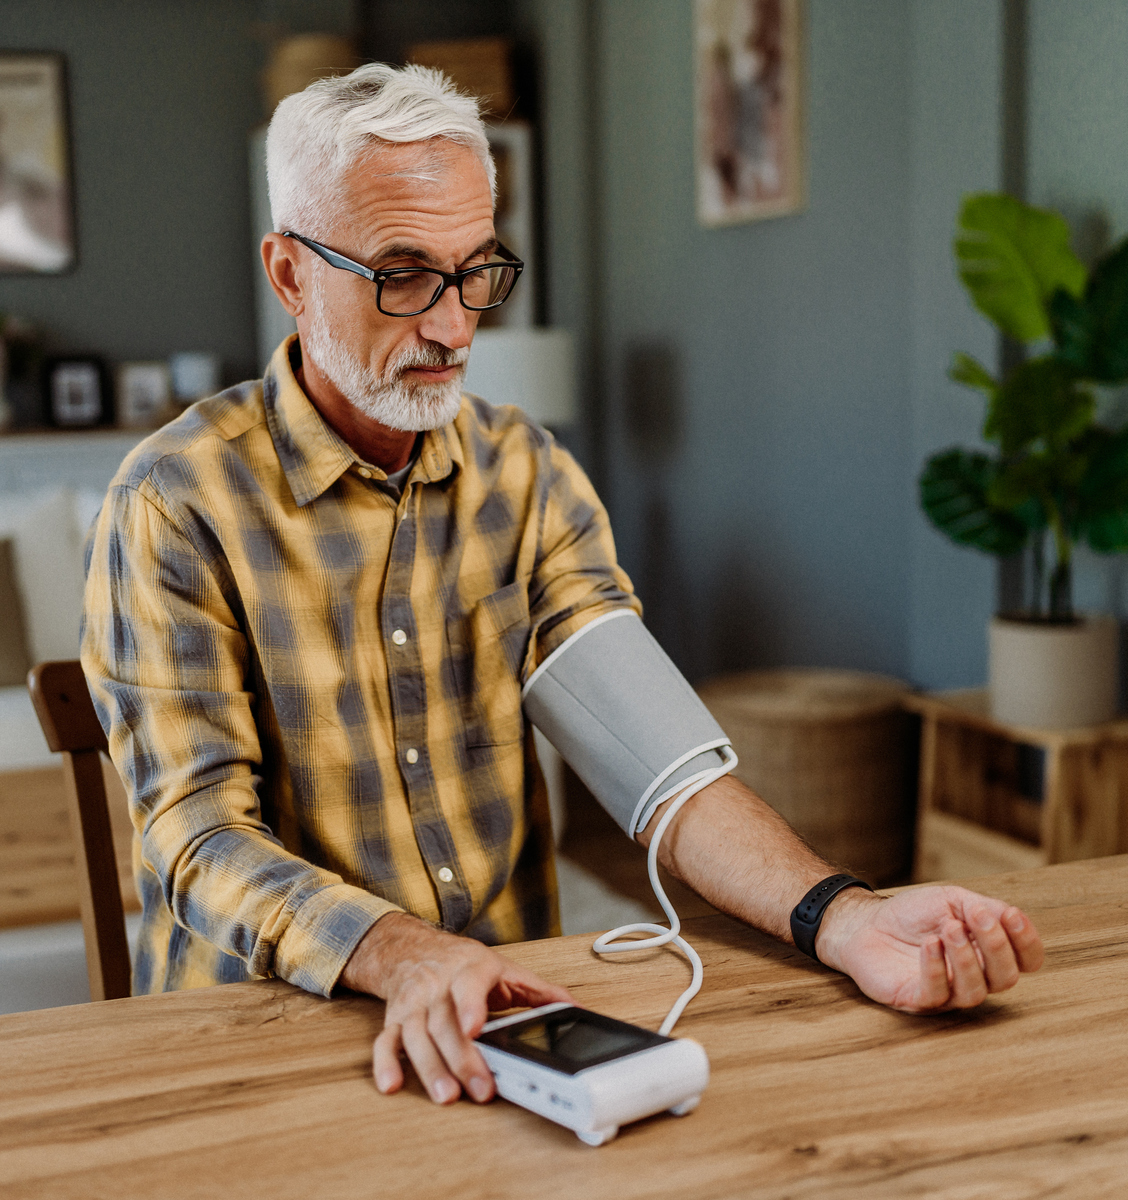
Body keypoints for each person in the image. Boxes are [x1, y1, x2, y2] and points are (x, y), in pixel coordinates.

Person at [82, 64, 1044, 1111]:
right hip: (263, 1040)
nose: (453, 328)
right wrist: (404, 955)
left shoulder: (526, 472)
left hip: (516, 1024)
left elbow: (658, 763)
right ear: (288, 272)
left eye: (476, 270)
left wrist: (844, 916)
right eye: (402, 275)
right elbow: (198, 835)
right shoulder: (175, 499)